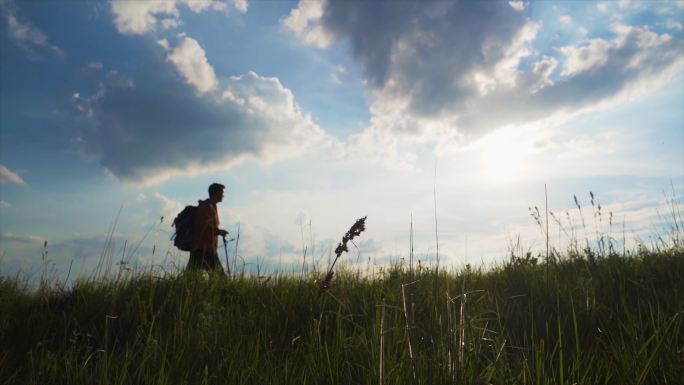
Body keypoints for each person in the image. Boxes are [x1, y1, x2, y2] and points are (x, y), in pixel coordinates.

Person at [187, 183, 229, 274]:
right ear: (215, 193)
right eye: (221, 193)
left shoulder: (212, 206)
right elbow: (203, 227)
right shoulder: (206, 206)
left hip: (207, 248)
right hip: (202, 249)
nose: (223, 195)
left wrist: (218, 232)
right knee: (220, 279)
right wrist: (219, 231)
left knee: (190, 277)